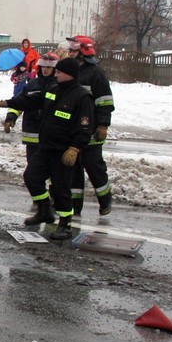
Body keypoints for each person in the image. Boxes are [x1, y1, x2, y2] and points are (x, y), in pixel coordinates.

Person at [0, 56, 93, 240]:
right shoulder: (53, 90)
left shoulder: (82, 97)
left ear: (70, 74)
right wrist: (6, 103)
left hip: (64, 151)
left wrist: (75, 148)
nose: (56, 73)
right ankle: (44, 211)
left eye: (59, 71)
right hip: (46, 147)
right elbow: (30, 101)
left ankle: (65, 225)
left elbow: (85, 127)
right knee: (31, 177)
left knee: (61, 189)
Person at [62, 35, 115, 216]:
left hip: (91, 132)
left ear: (83, 52)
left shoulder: (95, 73)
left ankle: (105, 200)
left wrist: (103, 125)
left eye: (73, 50)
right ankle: (75, 207)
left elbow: (105, 102)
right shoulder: (72, 72)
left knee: (94, 167)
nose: (69, 53)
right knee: (73, 170)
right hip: (73, 131)